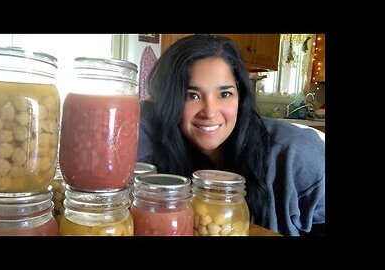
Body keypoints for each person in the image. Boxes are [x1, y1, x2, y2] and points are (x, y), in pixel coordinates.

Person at [137, 34, 325, 236]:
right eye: (191, 95)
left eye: (224, 94)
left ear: (240, 96)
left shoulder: (296, 154)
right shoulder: (157, 140)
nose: (209, 112)